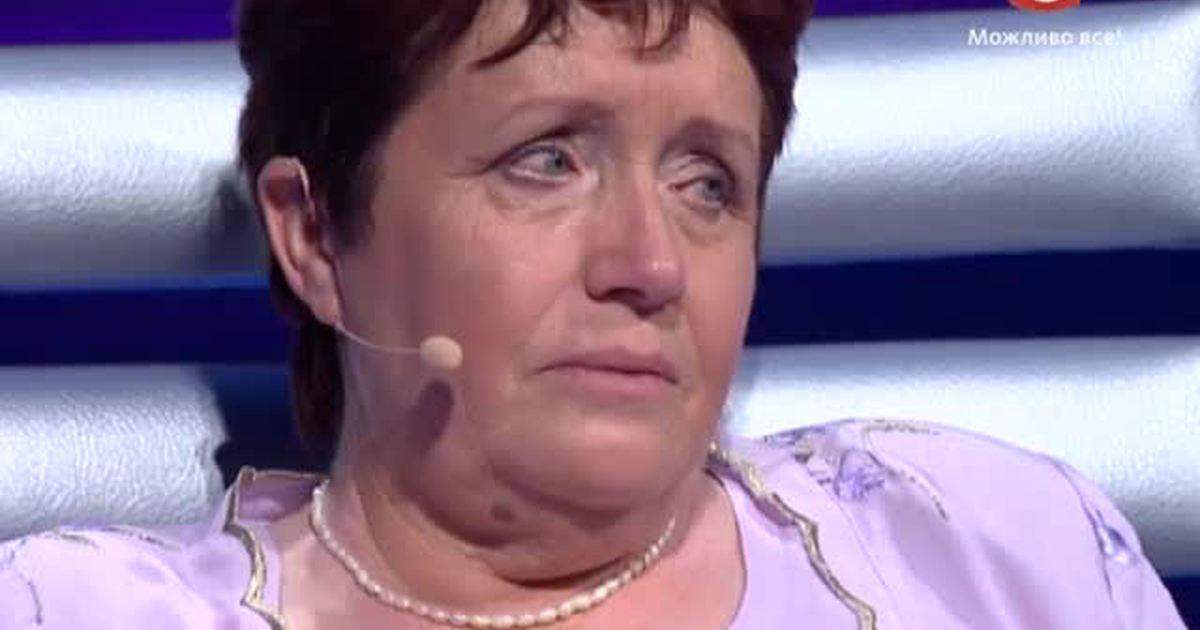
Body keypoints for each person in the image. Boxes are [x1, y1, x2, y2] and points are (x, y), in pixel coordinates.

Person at [0, 0, 1188, 628]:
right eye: (547, 161)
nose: (650, 265)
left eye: (707, 184)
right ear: (315, 237)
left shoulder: (989, 551)